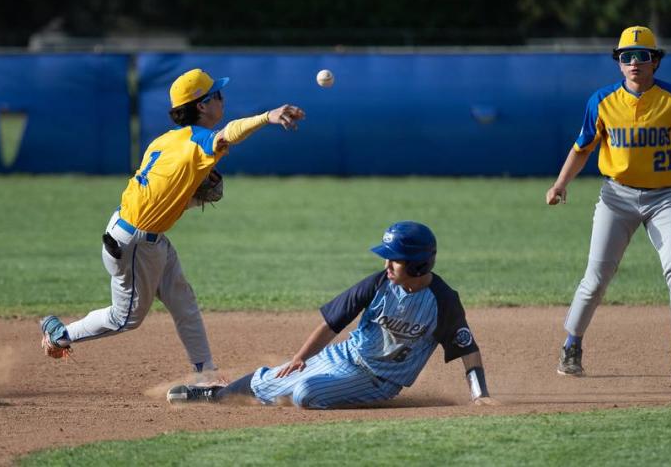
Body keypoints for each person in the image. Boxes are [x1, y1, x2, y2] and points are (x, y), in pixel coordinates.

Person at [40, 68, 306, 375]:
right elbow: (228, 133)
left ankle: (205, 374)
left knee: (183, 302)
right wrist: (266, 116)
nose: (223, 99)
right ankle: (59, 334)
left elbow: (159, 193)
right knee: (125, 319)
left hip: (139, 234)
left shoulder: (164, 141)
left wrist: (192, 197)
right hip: (136, 243)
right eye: (217, 94)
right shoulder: (198, 142)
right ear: (202, 105)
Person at [546, 26, 671, 382]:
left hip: (663, 198)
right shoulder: (602, 101)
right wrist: (561, 184)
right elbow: (582, 148)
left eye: (642, 55)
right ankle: (571, 346)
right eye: (626, 56)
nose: (634, 62)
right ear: (619, 64)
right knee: (596, 277)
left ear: (655, 61)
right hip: (615, 196)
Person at [166, 221, 496, 408]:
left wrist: (480, 395)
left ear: (418, 263)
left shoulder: (443, 300)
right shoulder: (379, 282)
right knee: (271, 383)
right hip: (343, 356)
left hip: (379, 381)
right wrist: (299, 358)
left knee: (305, 394)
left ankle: (299, 385)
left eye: (393, 259)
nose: (386, 265)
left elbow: (468, 349)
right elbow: (331, 323)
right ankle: (216, 393)